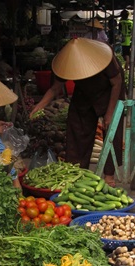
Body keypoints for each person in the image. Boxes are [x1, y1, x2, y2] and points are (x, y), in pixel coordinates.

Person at [30, 37, 126, 187]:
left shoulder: (104, 55)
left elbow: (117, 82)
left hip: (109, 92)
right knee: (76, 127)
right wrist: (39, 106)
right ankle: (77, 171)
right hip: (84, 93)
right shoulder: (66, 63)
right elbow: (55, 88)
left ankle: (109, 176)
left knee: (112, 130)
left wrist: (109, 113)